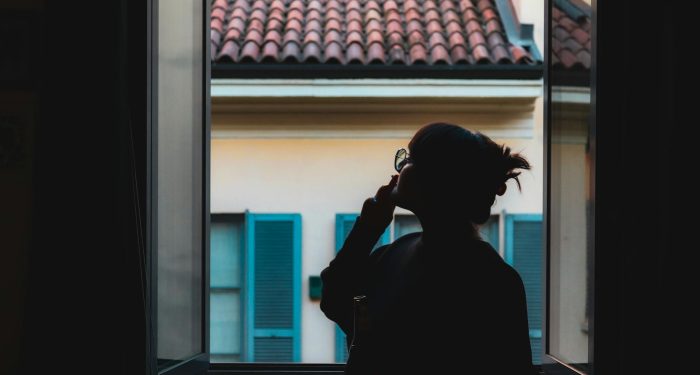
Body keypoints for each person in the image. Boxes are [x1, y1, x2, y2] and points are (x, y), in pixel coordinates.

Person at [320, 123, 537, 374]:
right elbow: (335, 300)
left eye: (410, 158)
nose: (400, 167)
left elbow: (335, 300)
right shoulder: (496, 278)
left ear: (436, 179)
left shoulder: (494, 281)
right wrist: (368, 227)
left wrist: (368, 228)